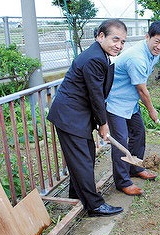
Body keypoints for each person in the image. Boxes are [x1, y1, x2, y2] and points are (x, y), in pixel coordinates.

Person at [47, 19, 127, 217]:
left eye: (123, 41)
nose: (119, 45)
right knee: (83, 159)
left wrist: (100, 122)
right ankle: (95, 205)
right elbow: (95, 95)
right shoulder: (94, 59)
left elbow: (97, 93)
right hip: (70, 116)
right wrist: (103, 124)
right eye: (115, 39)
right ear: (101, 36)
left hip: (75, 115)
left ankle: (76, 193)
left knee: (86, 155)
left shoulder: (101, 55)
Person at [105, 21, 160, 196]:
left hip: (130, 102)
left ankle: (134, 168)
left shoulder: (153, 53)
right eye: (157, 41)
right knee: (120, 141)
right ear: (147, 37)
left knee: (138, 133)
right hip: (115, 103)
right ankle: (122, 181)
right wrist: (152, 110)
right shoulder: (137, 58)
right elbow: (142, 90)